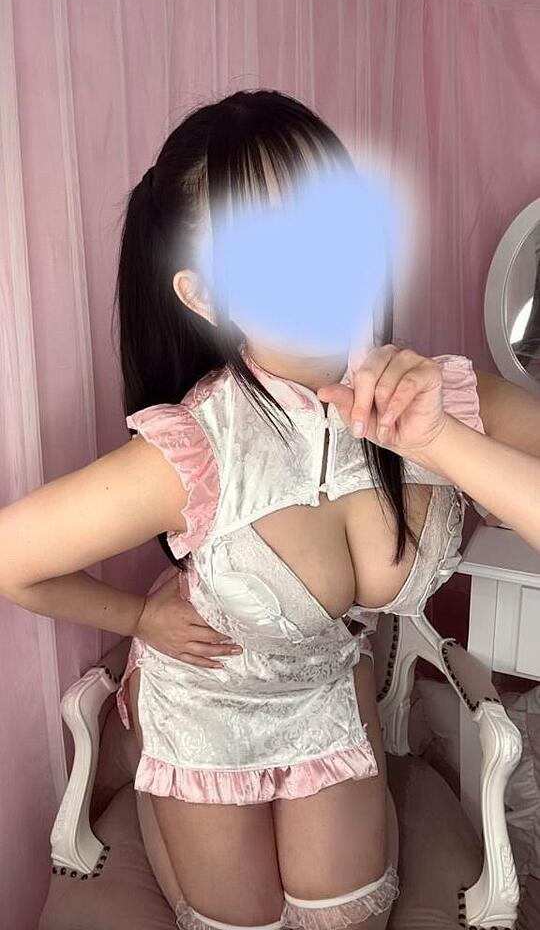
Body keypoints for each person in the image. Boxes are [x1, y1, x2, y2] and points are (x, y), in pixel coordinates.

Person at [0, 89, 539, 930]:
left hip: (326, 686)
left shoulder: (444, 396)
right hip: (208, 704)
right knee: (242, 921)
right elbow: (12, 557)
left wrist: (441, 442)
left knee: (345, 915)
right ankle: (149, 755)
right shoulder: (195, 448)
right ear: (204, 296)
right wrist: (137, 617)